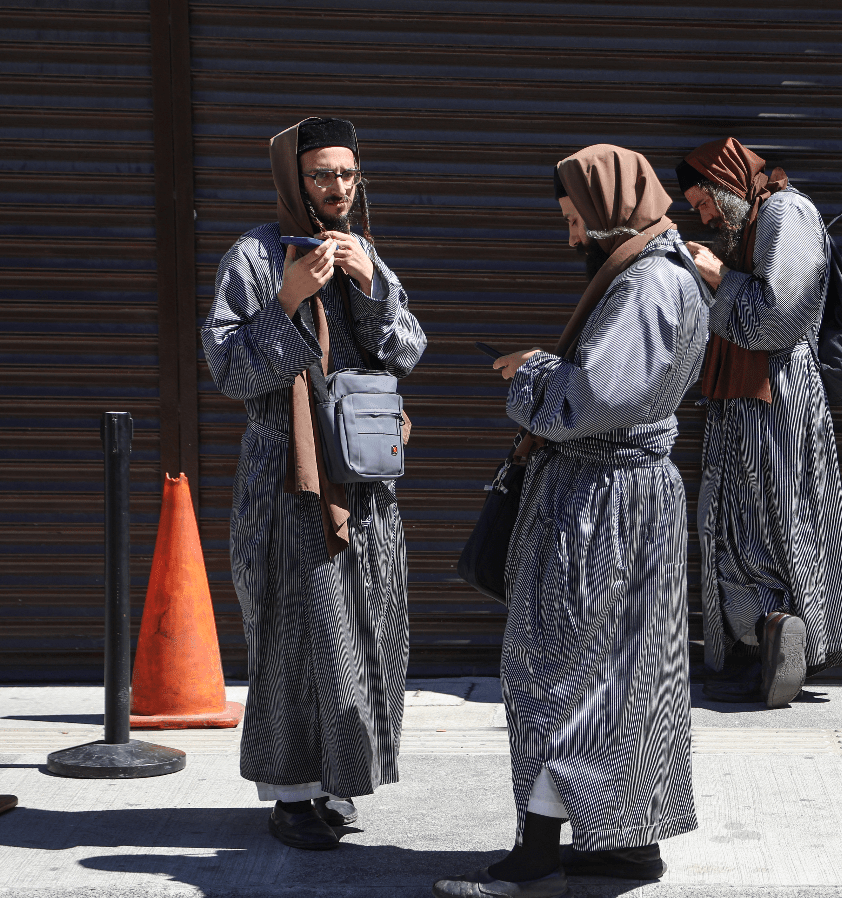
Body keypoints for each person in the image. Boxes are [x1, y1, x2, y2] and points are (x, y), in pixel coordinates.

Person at [433, 145, 706, 898]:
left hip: (600, 504)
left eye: (572, 217)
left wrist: (528, 370)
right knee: (621, 676)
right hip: (627, 498)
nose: (568, 236)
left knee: (555, 671)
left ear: (607, 204)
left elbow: (589, 403)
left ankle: (536, 858)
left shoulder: (647, 282)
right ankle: (621, 846)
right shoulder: (662, 270)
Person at [201, 117, 426, 850]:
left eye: (348, 174)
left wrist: (368, 286)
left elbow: (410, 351)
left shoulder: (365, 251)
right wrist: (289, 300)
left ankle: (341, 782)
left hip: (364, 479)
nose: (337, 188)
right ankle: (291, 793)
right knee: (292, 635)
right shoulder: (254, 257)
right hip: (286, 478)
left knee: (368, 632)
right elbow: (229, 369)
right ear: (292, 180)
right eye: (322, 174)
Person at [677, 137, 842, 709]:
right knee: (734, 526)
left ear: (729, 182)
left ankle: (779, 645)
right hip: (741, 401)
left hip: (778, 400)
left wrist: (717, 278)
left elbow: (778, 319)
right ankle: (754, 645)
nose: (703, 215)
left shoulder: (789, 213)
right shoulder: (750, 223)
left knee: (777, 521)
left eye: (705, 201)